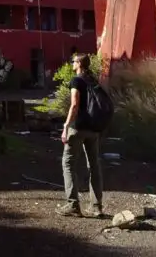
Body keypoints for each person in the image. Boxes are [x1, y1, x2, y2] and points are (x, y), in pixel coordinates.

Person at [56, 53, 103, 217]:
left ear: (79, 64)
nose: (71, 63)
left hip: (78, 127)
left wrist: (66, 126)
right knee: (94, 166)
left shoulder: (76, 81)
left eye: (73, 61)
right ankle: (97, 207)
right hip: (94, 128)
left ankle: (73, 205)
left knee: (68, 163)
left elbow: (74, 105)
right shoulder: (93, 81)